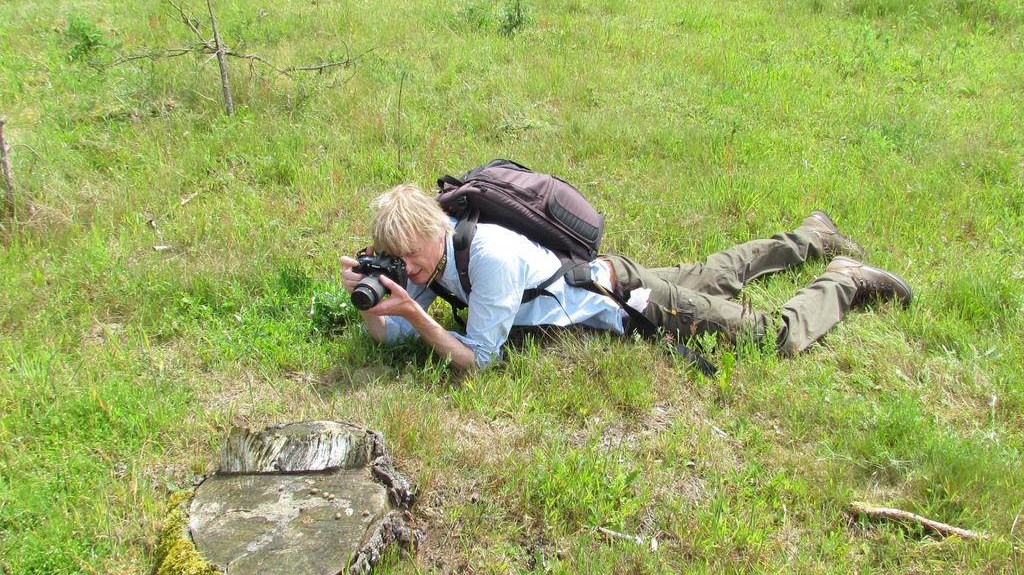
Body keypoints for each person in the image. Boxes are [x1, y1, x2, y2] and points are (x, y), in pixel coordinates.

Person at [340, 184, 912, 371]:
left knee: (772, 338)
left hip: (630, 300)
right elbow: (389, 338)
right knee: (720, 272)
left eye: (411, 259)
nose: (409, 272)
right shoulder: (431, 260)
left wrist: (419, 315)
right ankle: (814, 233)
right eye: (398, 261)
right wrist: (373, 303)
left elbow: (480, 359)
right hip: (607, 277)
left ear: (435, 230)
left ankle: (844, 278)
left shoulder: (487, 255)